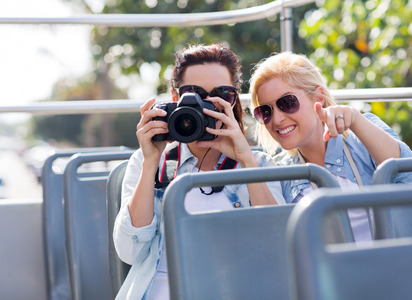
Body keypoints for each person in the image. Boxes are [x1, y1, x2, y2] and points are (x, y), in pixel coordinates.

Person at [113, 44, 284, 300]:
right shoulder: (150, 161)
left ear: (233, 100)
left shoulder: (257, 164)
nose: (204, 106)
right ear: (174, 97)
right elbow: (128, 251)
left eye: (220, 94)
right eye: (193, 93)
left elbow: (280, 246)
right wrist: (151, 162)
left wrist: (246, 160)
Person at [249, 51, 412, 242]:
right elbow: (274, 240)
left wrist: (355, 118)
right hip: (327, 271)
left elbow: (410, 174)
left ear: (318, 97)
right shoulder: (281, 172)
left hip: (389, 265)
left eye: (287, 102)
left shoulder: (361, 134)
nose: (277, 119)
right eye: (265, 111)